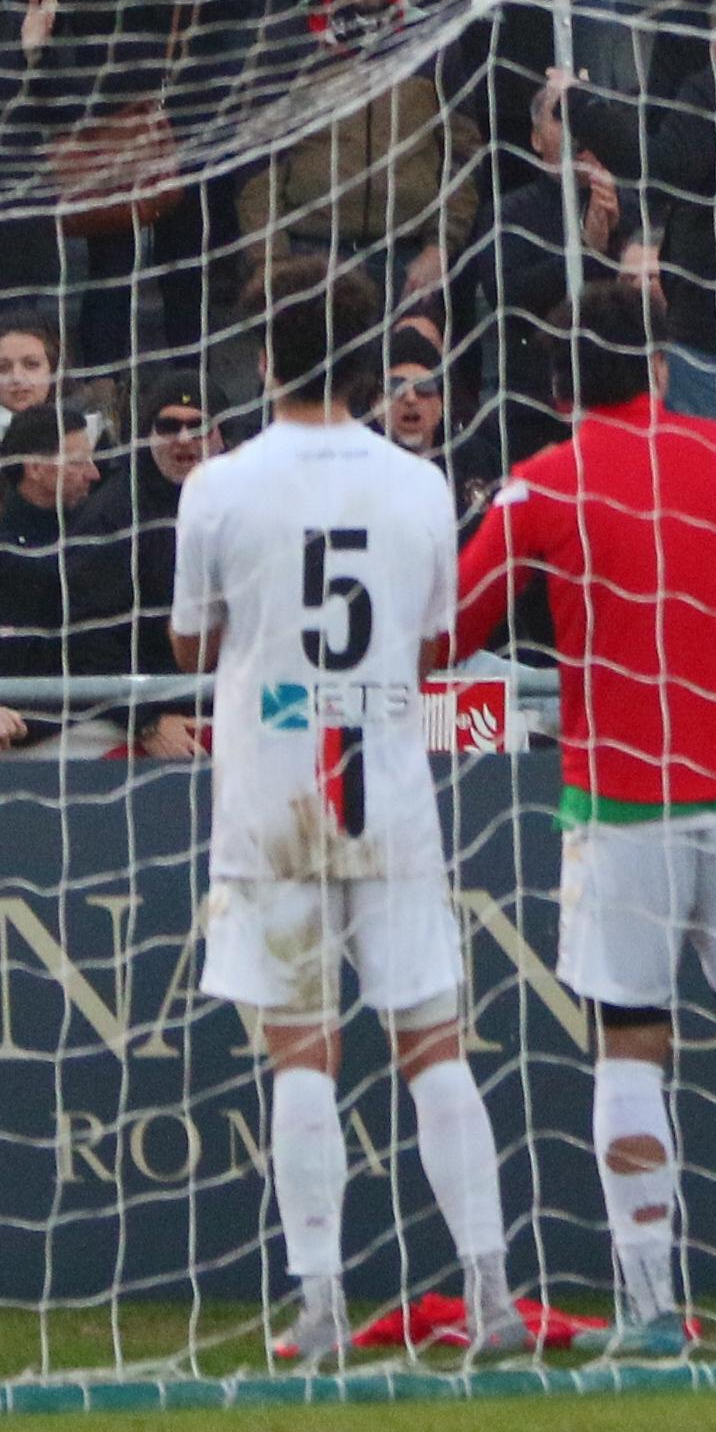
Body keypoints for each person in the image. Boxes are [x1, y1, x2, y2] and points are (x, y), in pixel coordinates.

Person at [443, 279, 716, 1352]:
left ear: (561, 388)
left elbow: (448, 633)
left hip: (619, 806)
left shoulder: (541, 484)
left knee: (629, 1048)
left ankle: (654, 1303)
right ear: (661, 367)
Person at [171, 255, 510, 1365]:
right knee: (433, 1043)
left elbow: (189, 642)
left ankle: (320, 1305)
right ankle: (493, 1292)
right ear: (371, 365)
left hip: (271, 795)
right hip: (389, 792)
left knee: (301, 1054)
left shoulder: (219, 485)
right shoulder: (419, 486)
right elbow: (435, 640)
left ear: (266, 355)